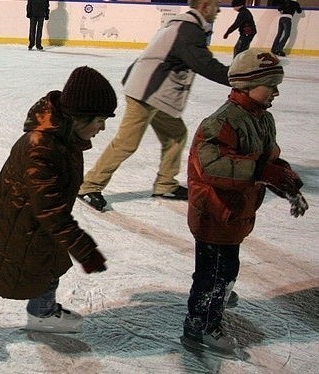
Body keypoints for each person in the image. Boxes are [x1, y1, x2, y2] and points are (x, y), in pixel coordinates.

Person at [0, 66, 116, 360]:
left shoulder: (66, 138)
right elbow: (50, 208)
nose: (102, 128)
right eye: (101, 120)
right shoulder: (40, 146)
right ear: (79, 117)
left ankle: (41, 312)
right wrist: (84, 248)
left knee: (50, 267)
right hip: (12, 225)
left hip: (37, 224)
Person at [181, 49, 308, 356]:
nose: (277, 90)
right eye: (271, 84)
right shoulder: (221, 122)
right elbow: (212, 166)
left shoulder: (262, 120)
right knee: (212, 275)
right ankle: (200, 327)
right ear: (246, 85)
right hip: (214, 212)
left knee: (226, 270)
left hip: (237, 212)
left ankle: (216, 300)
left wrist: (287, 182)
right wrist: (262, 171)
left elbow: (270, 160)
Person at [77, 0, 229, 211]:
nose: (219, 9)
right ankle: (89, 186)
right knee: (126, 143)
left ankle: (165, 184)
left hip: (157, 94)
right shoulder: (189, 30)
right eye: (215, 5)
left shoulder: (184, 26)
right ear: (204, 6)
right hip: (146, 92)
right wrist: (239, 77)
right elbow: (204, 64)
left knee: (176, 135)